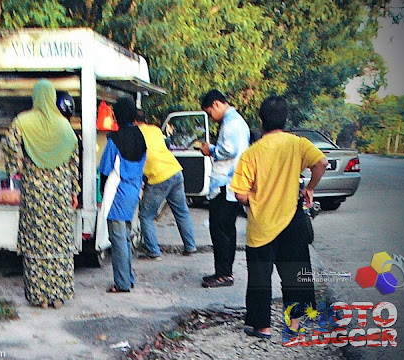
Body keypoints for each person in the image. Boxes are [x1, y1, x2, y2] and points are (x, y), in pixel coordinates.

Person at [230, 95, 327, 339]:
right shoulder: (298, 144)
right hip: (292, 220)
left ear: (260, 122)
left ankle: (262, 326)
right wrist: (310, 188)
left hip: (262, 225)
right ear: (285, 120)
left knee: (260, 278)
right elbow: (321, 163)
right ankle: (294, 326)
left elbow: (240, 193)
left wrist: (256, 199)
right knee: (294, 274)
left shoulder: (251, 153)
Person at [2, 79, 79, 309]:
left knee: (37, 242)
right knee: (58, 241)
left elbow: (9, 145)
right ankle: (58, 296)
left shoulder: (23, 121)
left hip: (35, 191)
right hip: (60, 194)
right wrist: (74, 191)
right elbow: (73, 161)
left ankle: (40, 297)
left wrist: (18, 166)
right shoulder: (65, 127)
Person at [199, 90, 250, 288]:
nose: (211, 117)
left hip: (225, 185)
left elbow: (228, 150)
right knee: (226, 229)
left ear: (217, 104)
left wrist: (209, 149)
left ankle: (224, 274)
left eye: (210, 112)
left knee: (220, 230)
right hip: (231, 183)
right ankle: (223, 271)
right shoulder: (237, 121)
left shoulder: (230, 123)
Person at [134, 110, 197, 260]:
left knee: (146, 216)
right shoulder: (155, 130)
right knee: (181, 211)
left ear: (134, 121)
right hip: (175, 170)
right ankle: (190, 246)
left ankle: (153, 251)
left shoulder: (135, 134)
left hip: (158, 177)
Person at [98, 97, 146, 293]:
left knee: (118, 240)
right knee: (125, 238)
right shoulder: (140, 136)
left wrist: (102, 193)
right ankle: (129, 277)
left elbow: (105, 168)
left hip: (117, 194)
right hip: (134, 192)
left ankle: (122, 283)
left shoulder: (114, 139)